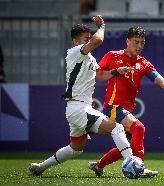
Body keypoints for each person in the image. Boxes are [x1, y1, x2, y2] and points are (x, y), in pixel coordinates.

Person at [89, 26, 164, 177]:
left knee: (127, 146)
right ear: (127, 41)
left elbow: (162, 82)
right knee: (139, 128)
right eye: (136, 42)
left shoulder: (143, 63)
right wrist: (116, 71)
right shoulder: (112, 56)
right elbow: (99, 76)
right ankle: (140, 168)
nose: (139, 46)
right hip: (113, 106)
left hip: (126, 109)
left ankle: (99, 165)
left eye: (142, 43)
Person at [28, 15, 134, 176]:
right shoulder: (75, 52)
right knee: (117, 128)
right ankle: (131, 164)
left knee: (76, 149)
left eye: (89, 38)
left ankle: (40, 167)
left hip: (77, 108)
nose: (89, 41)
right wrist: (102, 26)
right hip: (79, 108)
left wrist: (116, 71)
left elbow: (100, 76)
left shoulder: (88, 57)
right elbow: (98, 41)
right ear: (75, 41)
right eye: (86, 39)